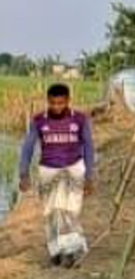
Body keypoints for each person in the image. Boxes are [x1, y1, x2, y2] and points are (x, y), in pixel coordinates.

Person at [17, 82, 97, 266]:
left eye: (61, 103)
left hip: (74, 169)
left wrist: (90, 176)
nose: (57, 107)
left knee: (70, 211)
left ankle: (71, 252)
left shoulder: (80, 119)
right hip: (48, 170)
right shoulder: (39, 120)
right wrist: (23, 174)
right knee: (50, 212)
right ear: (48, 101)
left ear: (68, 101)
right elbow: (28, 147)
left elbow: (89, 147)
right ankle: (55, 250)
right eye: (53, 103)